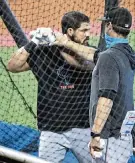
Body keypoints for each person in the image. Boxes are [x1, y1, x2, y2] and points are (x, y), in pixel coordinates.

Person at [7, 11, 95, 163]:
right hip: (51, 129)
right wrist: (33, 43)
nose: (88, 34)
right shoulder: (44, 52)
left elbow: (88, 65)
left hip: (82, 128)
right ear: (70, 31)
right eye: (84, 30)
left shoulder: (87, 53)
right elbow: (13, 66)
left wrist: (60, 43)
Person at [54, 7, 135, 163]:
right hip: (124, 132)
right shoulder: (128, 53)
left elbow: (106, 98)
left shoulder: (109, 57)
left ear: (110, 26)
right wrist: (67, 43)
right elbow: (95, 55)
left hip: (109, 134)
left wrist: (95, 134)